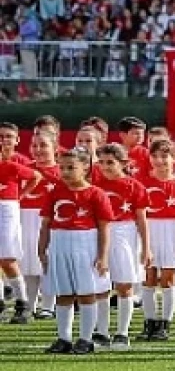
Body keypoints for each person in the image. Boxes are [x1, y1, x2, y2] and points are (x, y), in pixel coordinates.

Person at [38, 148, 113, 355]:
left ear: (86, 167)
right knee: (63, 293)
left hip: (84, 245)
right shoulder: (55, 192)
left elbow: (104, 227)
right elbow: (45, 224)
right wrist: (42, 250)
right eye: (62, 168)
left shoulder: (96, 194)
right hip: (60, 245)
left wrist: (103, 256)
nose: (66, 172)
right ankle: (64, 338)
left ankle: (85, 339)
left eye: (71, 167)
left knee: (86, 293)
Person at [136, 140, 175, 341]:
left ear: (174, 158)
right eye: (155, 156)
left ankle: (165, 323)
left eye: (165, 156)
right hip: (148, 231)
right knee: (148, 278)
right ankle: (150, 321)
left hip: (171, 232)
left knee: (168, 279)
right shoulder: (142, 183)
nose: (160, 161)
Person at [95, 144, 150, 350]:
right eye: (101, 162)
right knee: (101, 286)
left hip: (125, 234)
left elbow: (142, 220)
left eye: (110, 162)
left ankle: (122, 332)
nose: (105, 167)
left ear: (123, 163)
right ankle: (101, 332)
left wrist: (146, 248)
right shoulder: (94, 185)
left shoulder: (134, 186)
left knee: (124, 285)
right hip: (100, 233)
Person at [0, 122, 41, 322]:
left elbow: (36, 176)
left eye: (8, 137)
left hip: (7, 210)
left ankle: (22, 302)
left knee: (8, 258)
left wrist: (20, 196)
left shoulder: (12, 165)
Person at [19, 131, 60, 321]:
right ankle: (29, 304)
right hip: (25, 219)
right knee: (28, 264)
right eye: (34, 145)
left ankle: (48, 306)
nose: (38, 150)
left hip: (49, 222)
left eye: (43, 145)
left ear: (54, 147)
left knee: (48, 263)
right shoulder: (24, 170)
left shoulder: (62, 172)